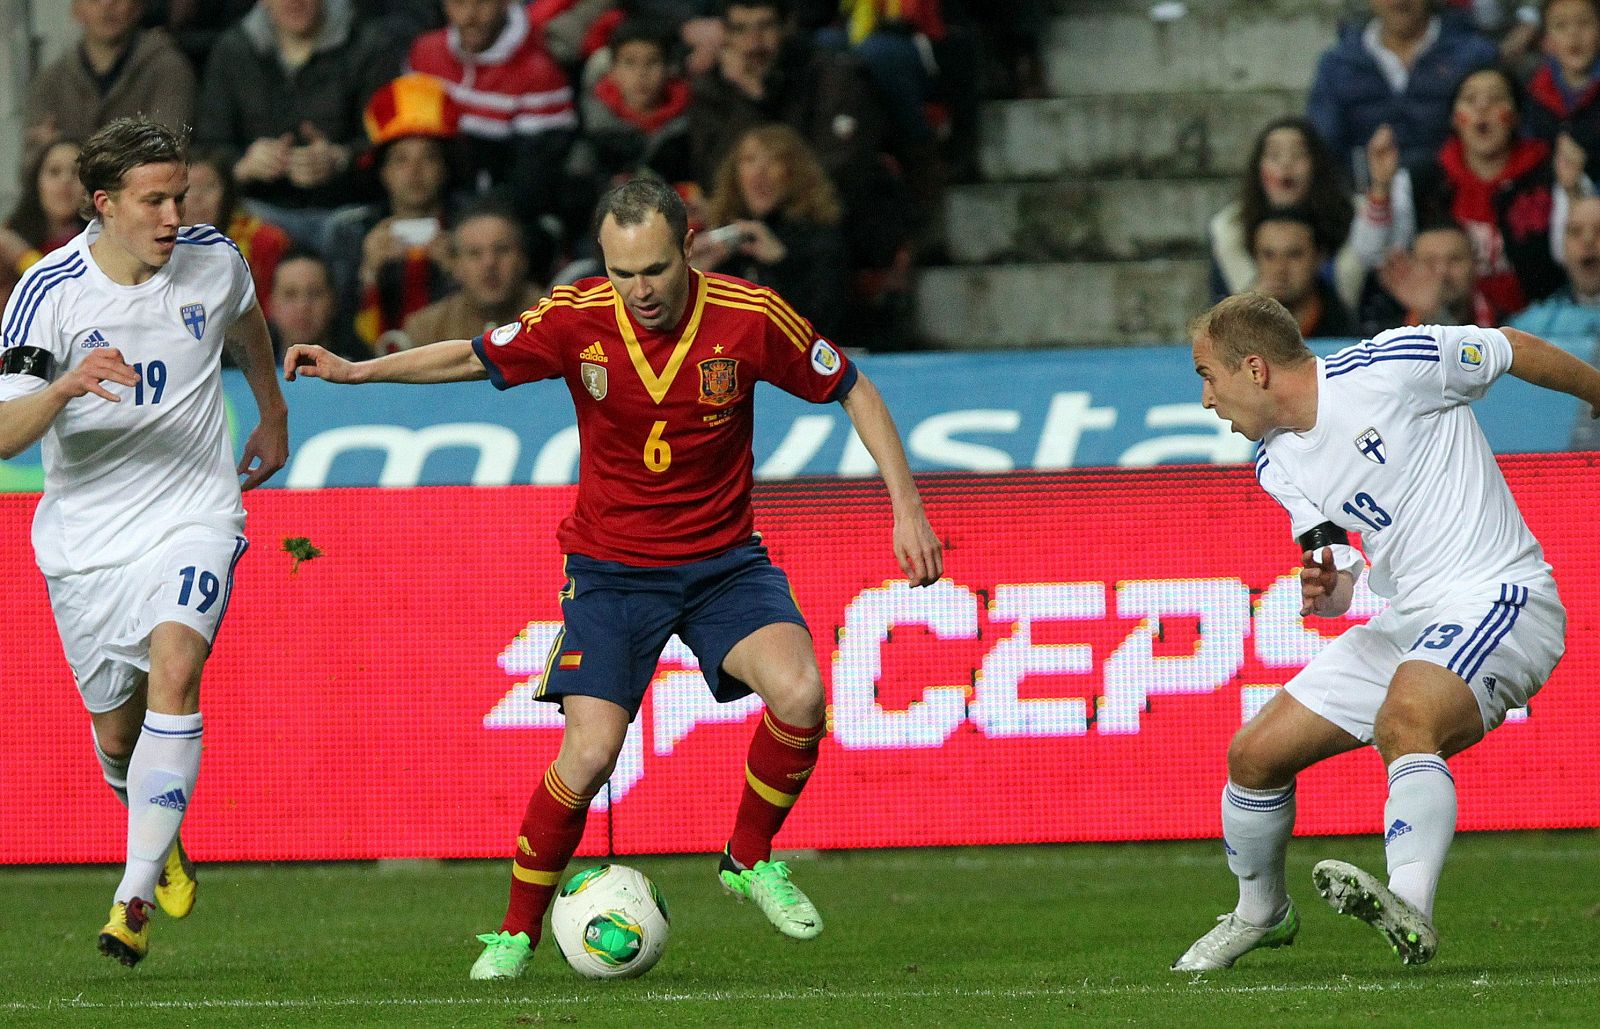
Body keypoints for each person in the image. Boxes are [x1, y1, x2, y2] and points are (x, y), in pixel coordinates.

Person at [282, 177, 943, 980]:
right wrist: (356, 374)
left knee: (801, 693)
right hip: (612, 572)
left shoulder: (749, 316)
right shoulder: (574, 317)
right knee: (591, 752)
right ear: (605, 260)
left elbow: (852, 387)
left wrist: (906, 507)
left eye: (657, 269)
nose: (642, 290)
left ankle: (748, 856)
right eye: (625, 272)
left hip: (724, 564)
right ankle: (518, 930)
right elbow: (472, 353)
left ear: (689, 247)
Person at [1172, 292, 1599, 971]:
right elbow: (1347, 574)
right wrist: (1331, 589)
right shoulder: (1275, 462)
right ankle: (1262, 911)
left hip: (1502, 595)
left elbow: (1512, 346)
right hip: (1410, 620)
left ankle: (1408, 903)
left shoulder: (1391, 367)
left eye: (1206, 375)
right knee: (1254, 756)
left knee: (1406, 718)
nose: (1204, 399)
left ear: (1253, 368)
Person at [0, 116, 289, 966]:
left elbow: (246, 324)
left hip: (195, 512)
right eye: (153, 200)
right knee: (121, 738)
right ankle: (153, 828)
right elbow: (5, 434)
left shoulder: (215, 259)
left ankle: (130, 896)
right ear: (104, 205)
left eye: (181, 195)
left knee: (177, 667)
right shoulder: (48, 292)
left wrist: (270, 409)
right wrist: (64, 387)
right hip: (86, 543)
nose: (173, 215)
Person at [1353, 66, 1586, 321]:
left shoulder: (1552, 171)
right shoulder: (1424, 177)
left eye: (1496, 98)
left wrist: (1573, 190)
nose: (1482, 108)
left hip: (1539, 325)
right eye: (1470, 99)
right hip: (1439, 323)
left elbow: (1578, 257)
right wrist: (1381, 187)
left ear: (1517, 115)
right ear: (1454, 117)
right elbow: (1370, 255)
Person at [195, 0, 400, 251]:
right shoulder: (233, 50)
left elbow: (389, 141)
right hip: (258, 208)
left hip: (345, 209)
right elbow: (208, 146)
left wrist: (341, 159)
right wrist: (244, 164)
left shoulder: (369, 45)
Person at [407, 0, 579, 277]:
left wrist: (464, 234)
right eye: (458, 4)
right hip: (432, 203)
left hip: (504, 218)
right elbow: (406, 144)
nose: (470, 16)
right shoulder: (424, 52)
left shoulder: (539, 72)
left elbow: (532, 182)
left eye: (483, 3)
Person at [1307, 0, 1498, 185]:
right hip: (1363, 196)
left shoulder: (1473, 55)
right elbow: (1323, 143)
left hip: (1456, 196)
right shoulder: (1338, 64)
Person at [692, 123, 850, 340]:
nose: (759, 173)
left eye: (773, 161)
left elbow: (823, 328)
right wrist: (693, 278)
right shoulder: (723, 242)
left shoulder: (821, 239)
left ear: (795, 173)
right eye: (749, 161)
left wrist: (781, 263)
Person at [1208, 117, 1363, 312]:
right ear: (1258, 168)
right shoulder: (1230, 227)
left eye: (1298, 155)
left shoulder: (1354, 217)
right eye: (1274, 155)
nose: (1286, 163)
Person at [22, 0, 196, 164]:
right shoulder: (50, 80)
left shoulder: (168, 68)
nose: (107, 5)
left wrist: (64, 150)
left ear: (137, 7)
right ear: (76, 9)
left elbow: (166, 151)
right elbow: (32, 165)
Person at [390, 206, 545, 351]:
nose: (489, 263)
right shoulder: (425, 329)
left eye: (502, 250)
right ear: (455, 265)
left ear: (523, 259)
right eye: (474, 253)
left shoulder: (555, 316)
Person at [185, 148, 292, 319]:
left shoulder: (265, 241)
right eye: (189, 188)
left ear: (227, 193)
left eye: (209, 187)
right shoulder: (158, 244)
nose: (197, 198)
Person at [1, 141, 89, 310]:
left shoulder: (100, 243)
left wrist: (23, 257)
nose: (65, 180)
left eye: (76, 173)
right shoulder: (11, 233)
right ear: (37, 182)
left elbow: (65, 303)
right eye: (54, 172)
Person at [1366, 222, 1499, 331]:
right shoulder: (1380, 330)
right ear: (1412, 267)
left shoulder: (1506, 327)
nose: (1442, 272)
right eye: (1429, 261)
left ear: (1475, 265)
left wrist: (1434, 314)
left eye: (1455, 259)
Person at [1248, 210, 1359, 338]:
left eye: (1294, 255)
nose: (1279, 269)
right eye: (1268, 255)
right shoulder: (1230, 327)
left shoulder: (1346, 332)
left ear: (1319, 257)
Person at [1510, 193, 1600, 341]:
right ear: (1562, 247)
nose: (1588, 240)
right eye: (1575, 231)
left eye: (1599, 230)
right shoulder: (1528, 329)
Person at [1524, 0, 1600, 159]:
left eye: (1584, 22)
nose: (1573, 34)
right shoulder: (1535, 92)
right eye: (1560, 26)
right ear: (1546, 42)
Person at [268, 247, 350, 358]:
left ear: (333, 302)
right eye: (290, 294)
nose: (302, 306)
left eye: (314, 293)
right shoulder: (245, 364)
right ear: (271, 306)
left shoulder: (362, 367)